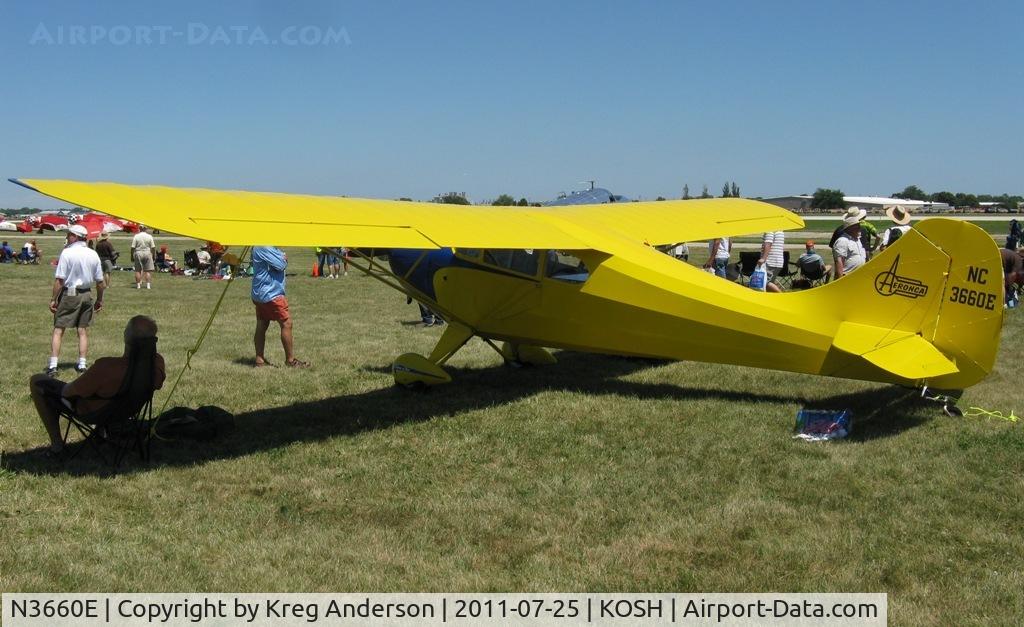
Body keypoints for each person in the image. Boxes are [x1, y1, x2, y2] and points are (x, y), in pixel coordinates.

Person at [29, 315, 165, 457]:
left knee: (37, 380)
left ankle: (57, 445)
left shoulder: (106, 367)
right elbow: (158, 384)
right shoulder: (156, 364)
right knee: (104, 395)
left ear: (127, 337)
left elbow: (69, 393)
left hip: (92, 412)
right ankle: (101, 434)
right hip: (128, 410)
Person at [47, 225, 105, 376]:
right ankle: (82, 364)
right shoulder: (93, 254)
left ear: (75, 236)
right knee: (82, 330)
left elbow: (60, 280)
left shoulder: (67, 253)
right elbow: (100, 282)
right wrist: (99, 299)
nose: (67, 237)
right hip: (87, 294)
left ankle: (53, 365)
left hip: (70, 294)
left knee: (59, 329)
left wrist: (53, 299)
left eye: (69, 234)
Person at [251, 246, 308, 368]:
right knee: (286, 323)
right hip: (271, 294)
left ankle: (259, 360)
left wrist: (281, 256)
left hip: (260, 293)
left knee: (262, 323)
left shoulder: (260, 245)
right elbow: (281, 264)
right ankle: (290, 360)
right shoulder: (264, 245)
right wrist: (284, 258)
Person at [832, 209, 867, 280]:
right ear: (850, 228)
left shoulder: (857, 239)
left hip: (859, 276)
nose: (859, 228)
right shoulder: (842, 241)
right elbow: (839, 262)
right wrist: (840, 280)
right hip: (847, 277)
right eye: (857, 226)